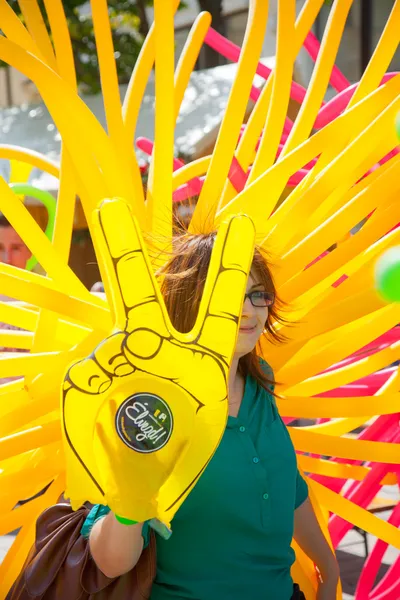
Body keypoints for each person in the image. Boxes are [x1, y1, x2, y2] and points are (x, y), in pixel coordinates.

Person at [81, 231, 340, 600]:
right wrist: (130, 497)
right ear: (188, 303)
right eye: (230, 296)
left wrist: (327, 566)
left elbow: (285, 485)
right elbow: (110, 562)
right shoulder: (155, 406)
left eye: (257, 293)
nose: (249, 310)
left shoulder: (259, 380)